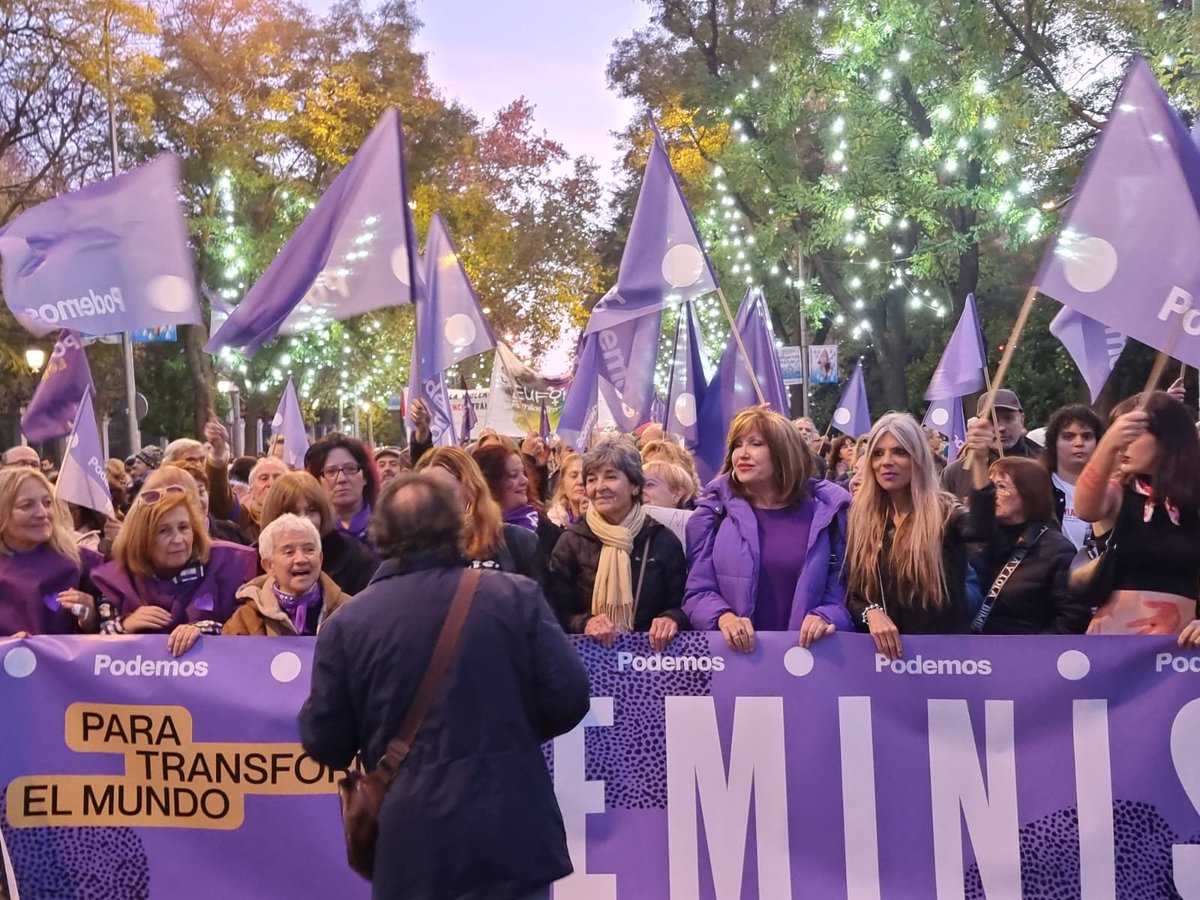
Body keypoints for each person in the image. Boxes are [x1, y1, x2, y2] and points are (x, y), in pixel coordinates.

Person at [299, 473, 590, 900]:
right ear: (458, 526)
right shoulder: (514, 597)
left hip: (412, 840)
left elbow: (325, 742)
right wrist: (509, 734)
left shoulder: (347, 624)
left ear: (382, 534)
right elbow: (569, 697)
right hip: (509, 826)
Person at [683, 406, 851, 652]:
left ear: (784, 452)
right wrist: (723, 617)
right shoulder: (711, 516)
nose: (743, 453)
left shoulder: (831, 514)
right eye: (737, 445)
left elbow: (843, 590)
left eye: (755, 444)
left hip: (810, 664)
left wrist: (827, 615)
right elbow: (696, 592)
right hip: (736, 665)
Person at [845, 412, 996, 658]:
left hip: (943, 660)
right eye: (878, 453)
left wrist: (979, 462)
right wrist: (871, 613)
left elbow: (981, 529)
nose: (887, 461)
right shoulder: (862, 517)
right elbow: (853, 593)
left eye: (900, 452)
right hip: (882, 662)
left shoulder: (944, 510)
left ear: (918, 457)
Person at [1074, 392, 1200, 637]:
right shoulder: (1117, 494)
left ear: (1167, 438)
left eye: (1134, 434)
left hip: (1179, 655)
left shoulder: (1192, 503)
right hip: (1117, 650)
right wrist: (1107, 445)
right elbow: (1085, 508)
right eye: (1120, 433)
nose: (1123, 444)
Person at [548, 440, 688, 651]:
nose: (599, 487)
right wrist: (585, 623)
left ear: (635, 486)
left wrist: (671, 618)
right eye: (592, 479)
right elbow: (556, 608)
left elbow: (683, 604)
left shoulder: (662, 539)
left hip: (648, 661)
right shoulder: (572, 540)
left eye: (611, 477)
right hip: (591, 661)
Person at [92, 485, 257, 655]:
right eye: (164, 531)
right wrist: (126, 626)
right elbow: (98, 654)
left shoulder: (228, 566)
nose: (178, 539)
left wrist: (205, 630)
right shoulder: (117, 579)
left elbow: (248, 636)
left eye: (184, 527)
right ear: (141, 538)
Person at [971, 458, 1089, 634]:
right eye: (990, 486)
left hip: (1026, 655)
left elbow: (1073, 618)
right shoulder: (976, 541)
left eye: (1002, 487)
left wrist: (1032, 652)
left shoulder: (1057, 550)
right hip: (971, 656)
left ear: (1029, 493)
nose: (992, 494)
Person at [413, 446, 546, 583]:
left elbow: (539, 600)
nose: (434, 501)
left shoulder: (516, 540)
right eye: (425, 494)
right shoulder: (411, 551)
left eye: (444, 492)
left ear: (471, 490)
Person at [0, 468, 101, 637]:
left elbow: (115, 630)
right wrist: (6, 649)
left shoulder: (82, 562)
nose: (42, 513)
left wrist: (92, 618)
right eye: (27, 506)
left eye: (47, 503)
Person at [223, 514, 352, 636]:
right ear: (269, 565)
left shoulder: (349, 609)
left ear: (320, 558)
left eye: (309, 550)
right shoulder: (245, 619)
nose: (301, 559)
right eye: (289, 552)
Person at [259, 471, 380, 595]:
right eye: (292, 512)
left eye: (311, 511)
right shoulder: (256, 559)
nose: (303, 520)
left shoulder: (357, 558)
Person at [942, 390, 1038, 499]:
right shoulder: (956, 473)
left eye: (1008, 418)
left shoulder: (1044, 461)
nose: (1001, 428)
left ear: (1022, 419)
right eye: (991, 420)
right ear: (979, 424)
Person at [1040, 404, 1105, 550]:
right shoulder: (1037, 486)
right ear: (1053, 443)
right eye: (1068, 437)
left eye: (1087, 436)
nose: (1079, 443)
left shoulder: (1112, 488)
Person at [304, 432, 379, 549]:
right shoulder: (310, 532)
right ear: (318, 481)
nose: (341, 479)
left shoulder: (389, 525)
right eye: (330, 472)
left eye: (350, 469)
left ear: (365, 477)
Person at [159, 461, 252, 545]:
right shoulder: (162, 540)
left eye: (201, 491)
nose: (197, 499)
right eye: (189, 494)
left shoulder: (230, 532)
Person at [545, 451, 586, 528]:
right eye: (574, 476)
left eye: (585, 476)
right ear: (563, 486)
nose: (581, 481)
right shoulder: (552, 522)